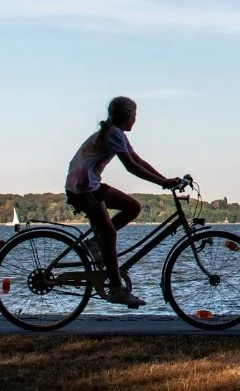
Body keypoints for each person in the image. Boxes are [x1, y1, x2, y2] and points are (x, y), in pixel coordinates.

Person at [65, 96, 181, 307]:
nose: (136, 119)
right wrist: (162, 183)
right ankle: (117, 288)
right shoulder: (113, 133)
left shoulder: (116, 133)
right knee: (109, 233)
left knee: (133, 207)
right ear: (127, 116)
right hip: (83, 187)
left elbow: (138, 160)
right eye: (134, 115)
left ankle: (94, 243)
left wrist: (165, 180)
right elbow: (131, 167)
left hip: (88, 183)